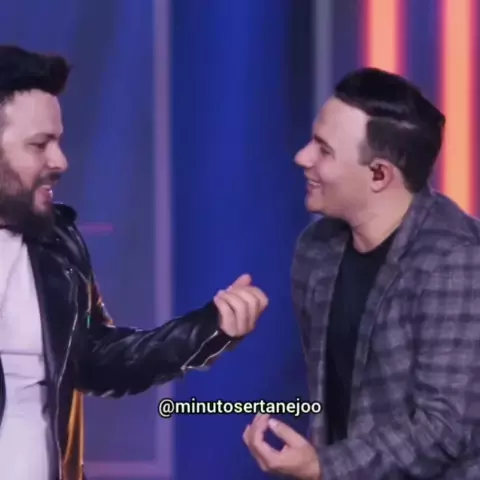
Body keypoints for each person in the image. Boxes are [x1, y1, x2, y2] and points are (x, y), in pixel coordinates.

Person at [0, 45, 268, 480]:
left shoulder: (58, 244)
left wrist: (208, 328)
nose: (60, 161)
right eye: (38, 144)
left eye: (58, 141)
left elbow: (97, 358)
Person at [243, 67, 480, 479]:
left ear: (379, 174)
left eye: (324, 150)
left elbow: (443, 430)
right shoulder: (316, 249)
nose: (302, 158)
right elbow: (334, 400)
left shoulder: (455, 262)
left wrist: (323, 466)